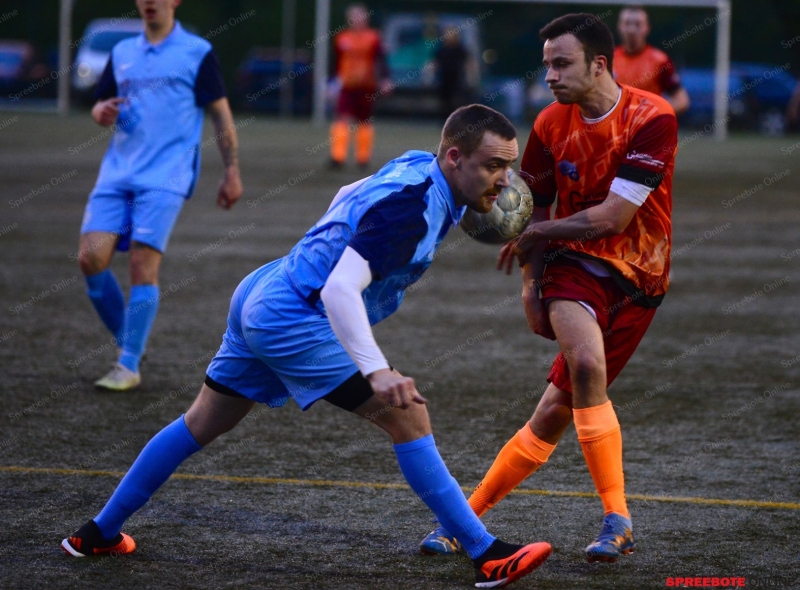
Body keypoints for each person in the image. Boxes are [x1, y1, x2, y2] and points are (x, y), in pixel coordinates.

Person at [61, 104, 553, 588]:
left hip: (267, 288)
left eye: (508, 166)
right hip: (293, 316)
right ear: (453, 158)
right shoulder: (411, 213)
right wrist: (377, 370)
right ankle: (485, 554)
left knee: (203, 421)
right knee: (406, 417)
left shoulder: (414, 165)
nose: (506, 179)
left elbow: (347, 192)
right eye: (493, 166)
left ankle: (98, 532)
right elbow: (340, 290)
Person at [420, 13, 677, 564]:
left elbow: (610, 218)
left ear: (598, 64)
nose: (551, 75)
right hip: (573, 266)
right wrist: (531, 286)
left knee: (554, 412)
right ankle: (618, 520)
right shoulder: (547, 124)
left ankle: (461, 521)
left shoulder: (653, 117)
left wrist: (537, 234)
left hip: (641, 275)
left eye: (562, 64)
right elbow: (524, 215)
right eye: (547, 65)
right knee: (586, 367)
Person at [78, 0, 243, 391]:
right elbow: (101, 103)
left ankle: (127, 365)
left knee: (141, 264)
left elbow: (220, 114)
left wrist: (231, 171)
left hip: (167, 174)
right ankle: (130, 339)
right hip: (117, 173)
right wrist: (99, 110)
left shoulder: (197, 52)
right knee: (90, 258)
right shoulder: (121, 53)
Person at [329, 4, 391, 169]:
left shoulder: (373, 37)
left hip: (366, 85)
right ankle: (338, 157)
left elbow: (382, 60)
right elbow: (335, 62)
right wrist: (332, 83)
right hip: (348, 85)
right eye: (354, 16)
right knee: (342, 118)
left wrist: (385, 79)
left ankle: (363, 158)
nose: (357, 20)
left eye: (360, 16)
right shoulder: (342, 38)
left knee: (364, 121)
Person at [613, 5, 690, 115]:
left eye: (637, 24)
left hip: (648, 129)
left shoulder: (659, 61)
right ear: (619, 26)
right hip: (616, 129)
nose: (632, 30)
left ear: (647, 28)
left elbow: (681, 101)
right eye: (627, 23)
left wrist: (652, 115)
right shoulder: (609, 59)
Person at [433, 28, 476, 119]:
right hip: (444, 78)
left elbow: (467, 62)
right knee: (444, 100)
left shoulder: (460, 49)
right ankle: (445, 120)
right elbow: (435, 63)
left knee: (457, 100)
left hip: (457, 78)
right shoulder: (441, 49)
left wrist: (471, 76)